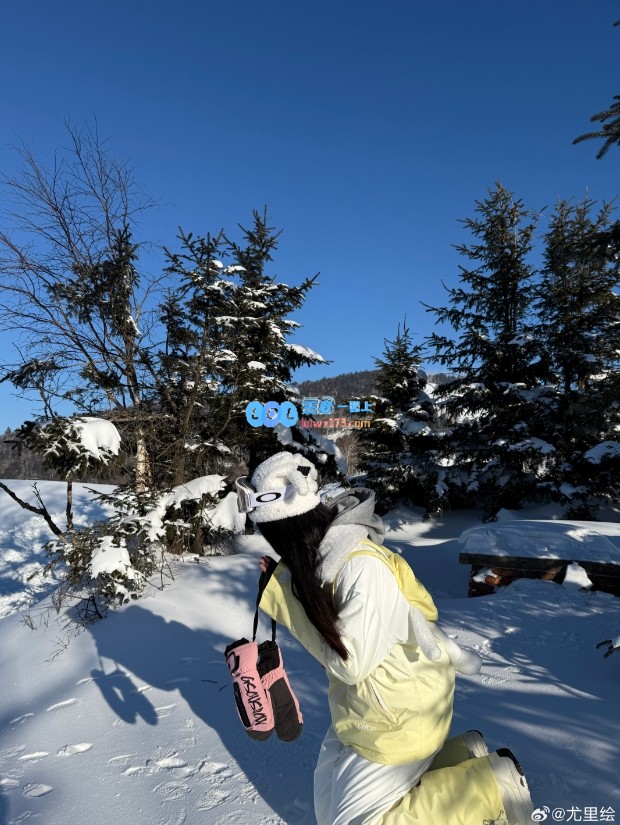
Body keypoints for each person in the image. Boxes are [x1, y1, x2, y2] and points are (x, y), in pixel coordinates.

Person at [236, 451, 535, 825]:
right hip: (367, 708)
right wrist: (289, 588)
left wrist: (285, 598)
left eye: (275, 539)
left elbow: (350, 662)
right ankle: (458, 760)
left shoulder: (361, 567)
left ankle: (490, 787)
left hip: (398, 716)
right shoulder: (328, 559)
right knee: (328, 812)